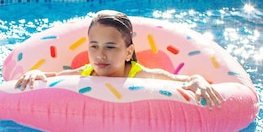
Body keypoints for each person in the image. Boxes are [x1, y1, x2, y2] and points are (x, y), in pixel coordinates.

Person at [14, 10, 225, 108]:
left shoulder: (141, 76)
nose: (100, 55)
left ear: (128, 52)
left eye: (110, 47)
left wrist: (199, 81)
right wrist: (35, 73)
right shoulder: (85, 73)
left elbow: (185, 80)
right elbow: (52, 77)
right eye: (94, 46)